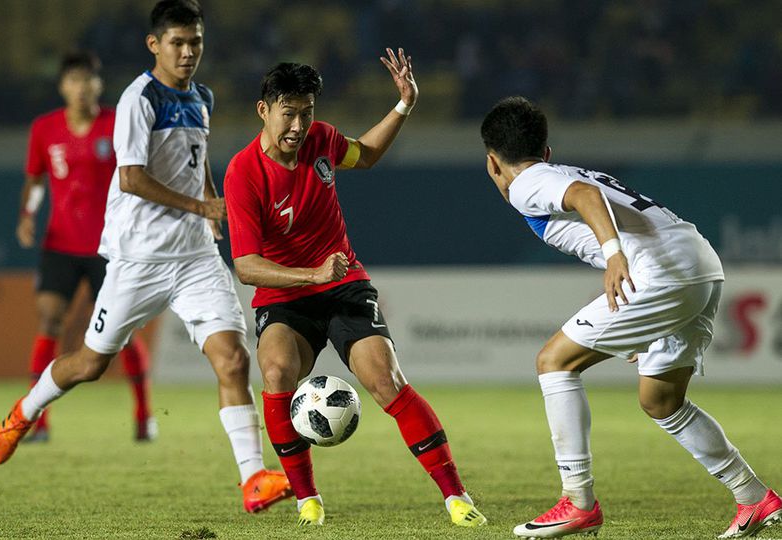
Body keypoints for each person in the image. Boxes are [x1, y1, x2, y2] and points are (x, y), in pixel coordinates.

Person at [0, 0, 292, 514]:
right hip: (138, 260)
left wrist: (210, 207)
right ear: (155, 45)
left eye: (196, 41)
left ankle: (253, 479)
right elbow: (130, 177)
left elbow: (198, 160)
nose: (189, 52)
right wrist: (201, 203)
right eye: (178, 43)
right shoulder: (138, 99)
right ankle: (23, 413)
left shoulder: (202, 96)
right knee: (89, 363)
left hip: (194, 256)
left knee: (233, 359)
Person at [480, 96, 781, 539]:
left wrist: (614, 254)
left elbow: (585, 197)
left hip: (661, 272)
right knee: (661, 401)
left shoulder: (528, 180)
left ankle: (578, 502)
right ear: (546, 149)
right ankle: (754, 497)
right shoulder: (562, 170)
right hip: (700, 265)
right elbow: (591, 193)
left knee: (553, 363)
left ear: (492, 162)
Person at [223, 53, 486, 528]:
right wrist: (311, 275)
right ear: (263, 110)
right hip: (287, 295)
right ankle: (308, 499)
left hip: (344, 285)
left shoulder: (321, 139)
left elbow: (364, 154)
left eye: (307, 111)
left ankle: (457, 497)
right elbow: (245, 267)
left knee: (386, 381)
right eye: (289, 113)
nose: (300, 124)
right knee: (277, 370)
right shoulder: (242, 172)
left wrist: (404, 105)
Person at [18, 51, 155, 443]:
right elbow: (37, 179)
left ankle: (144, 416)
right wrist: (28, 213)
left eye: (88, 80)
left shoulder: (117, 124)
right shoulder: (44, 129)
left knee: (122, 332)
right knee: (48, 321)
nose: (81, 87)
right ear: (63, 86)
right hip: (60, 243)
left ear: (98, 85)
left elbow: (138, 175)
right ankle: (38, 421)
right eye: (74, 80)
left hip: (110, 247)